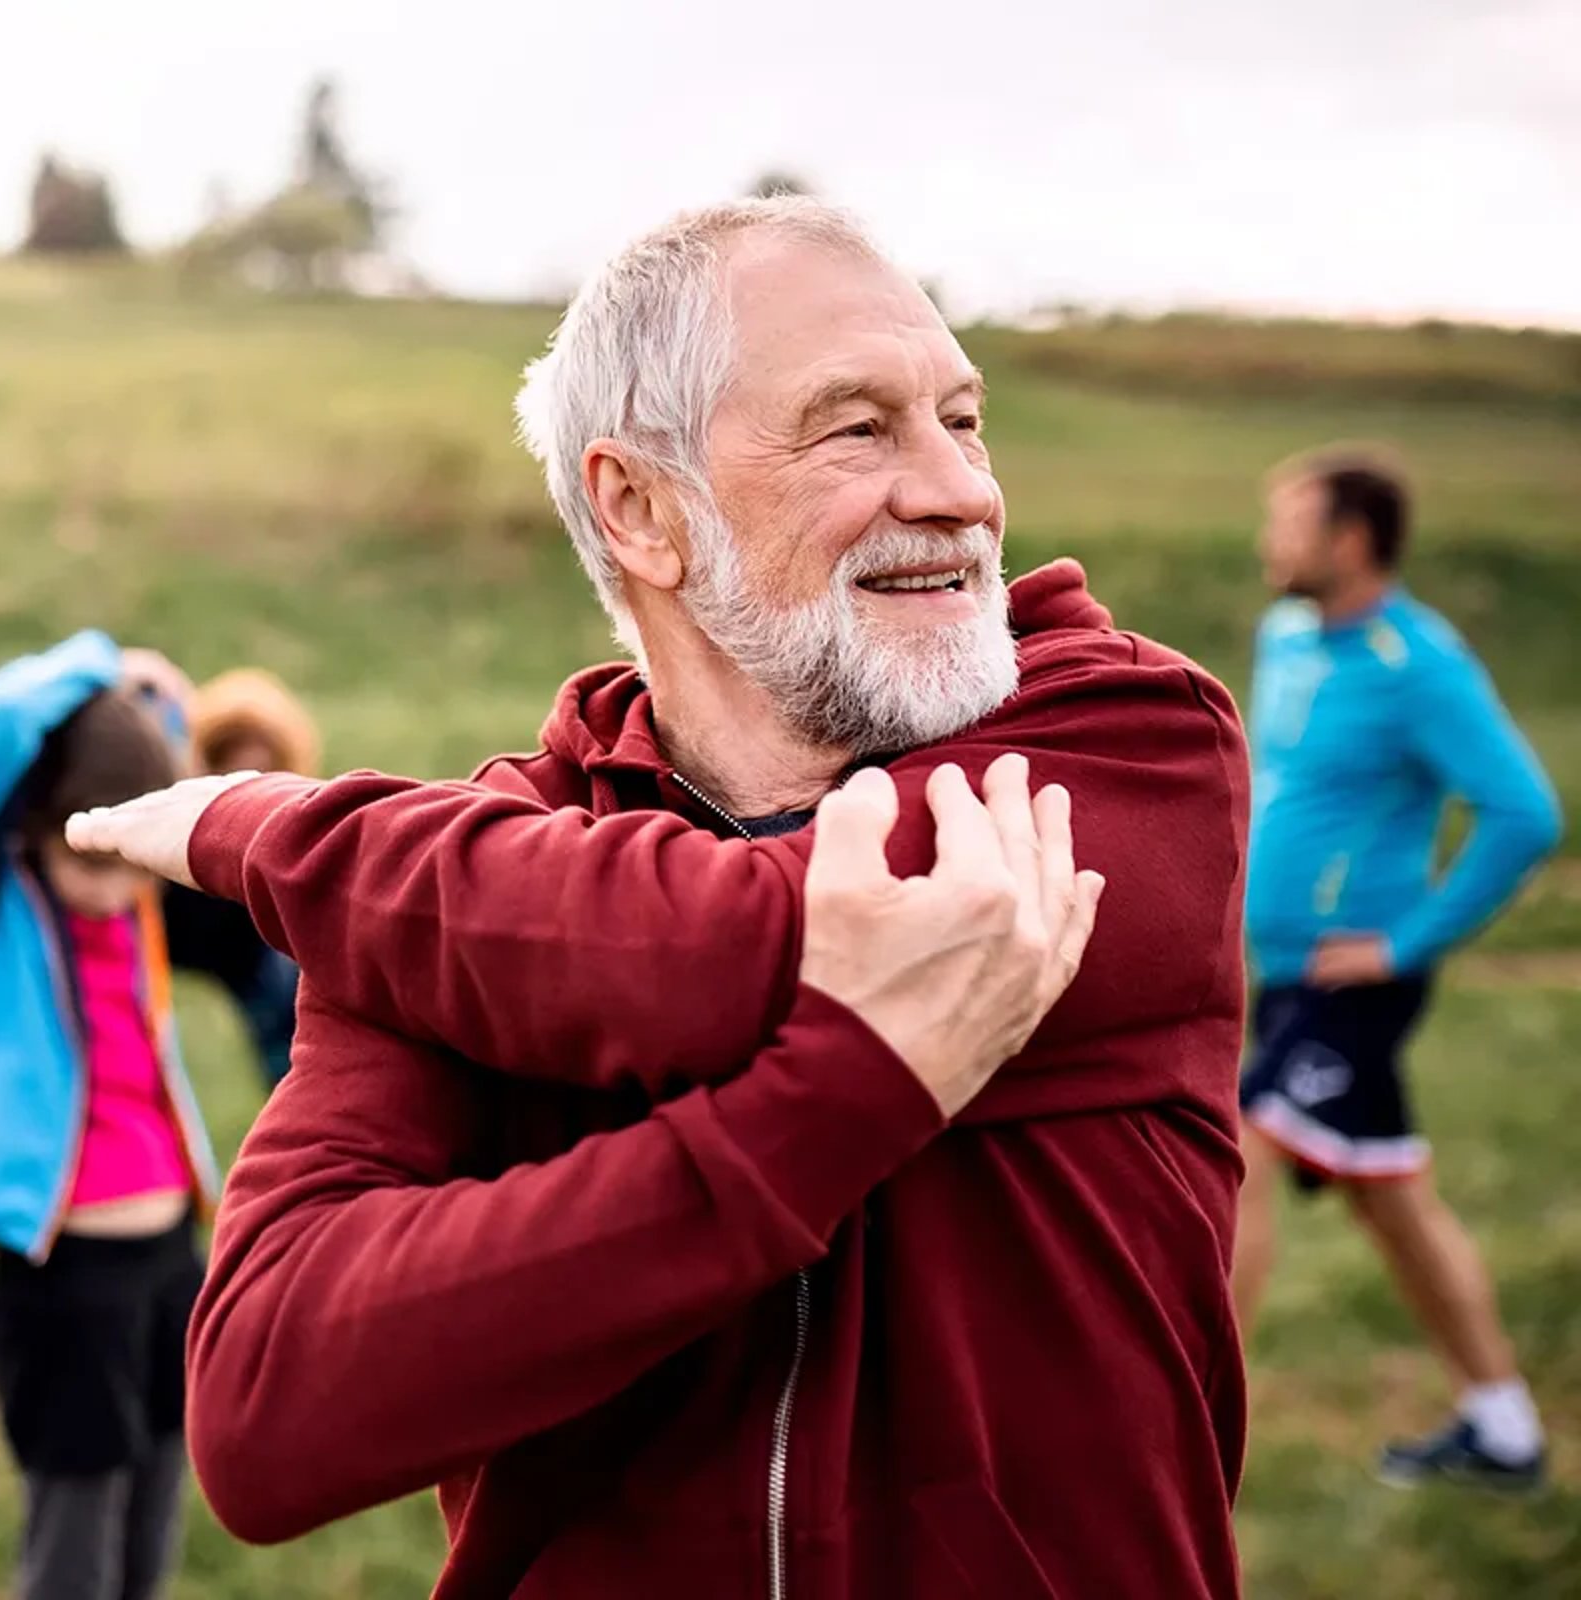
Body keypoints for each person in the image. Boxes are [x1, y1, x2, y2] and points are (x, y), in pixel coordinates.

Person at [71, 198, 1250, 1599]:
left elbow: (739, 946)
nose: (961, 491)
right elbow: (268, 1413)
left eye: (965, 419)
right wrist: (837, 1098)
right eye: (859, 428)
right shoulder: (463, 880)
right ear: (640, 509)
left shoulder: (1130, 741)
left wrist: (268, 833)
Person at [1233, 447, 1562, 1488]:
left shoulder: (1416, 664)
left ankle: (1186, 1424)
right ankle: (1504, 1424)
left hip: (1354, 983)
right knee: (1392, 1200)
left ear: (1350, 541)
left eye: (1289, 523)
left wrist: (1403, 942)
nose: (1267, 542)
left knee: (1236, 1150)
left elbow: (1523, 813)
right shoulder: (1286, 637)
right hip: (1282, 971)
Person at [0, 632, 220, 1600]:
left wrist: (160, 702)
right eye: (102, 861)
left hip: (170, 1251)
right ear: (43, 822)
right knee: (76, 1537)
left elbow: (162, 760)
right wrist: (102, 660)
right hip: (67, 1272)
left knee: (155, 1510)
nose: (127, 890)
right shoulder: (1, 895)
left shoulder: (129, 899)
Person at [162, 668, 319, 1090]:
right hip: (171, 923)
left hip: (243, 945)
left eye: (262, 776)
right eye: (228, 772)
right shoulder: (167, 821)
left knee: (291, 1028)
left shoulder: (289, 839)